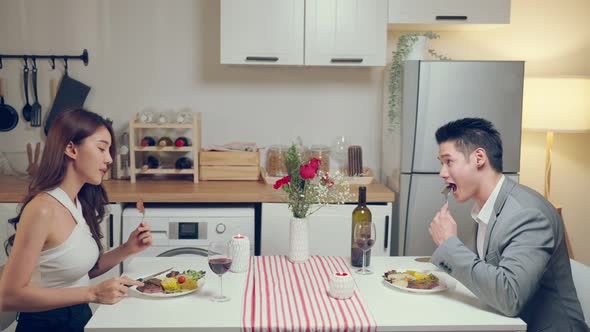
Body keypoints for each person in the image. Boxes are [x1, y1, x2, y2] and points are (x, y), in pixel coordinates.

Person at [429, 118, 588, 332]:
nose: (442, 172)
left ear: (478, 158)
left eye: (448, 162)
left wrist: (449, 244)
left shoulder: (528, 215)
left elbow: (509, 297)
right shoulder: (487, 207)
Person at [0, 109, 153, 332]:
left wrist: (128, 248)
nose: (109, 159)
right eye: (101, 148)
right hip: (46, 325)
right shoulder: (42, 210)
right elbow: (9, 296)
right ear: (71, 148)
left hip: (79, 318)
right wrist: (92, 293)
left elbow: (78, 272)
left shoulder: (76, 202)